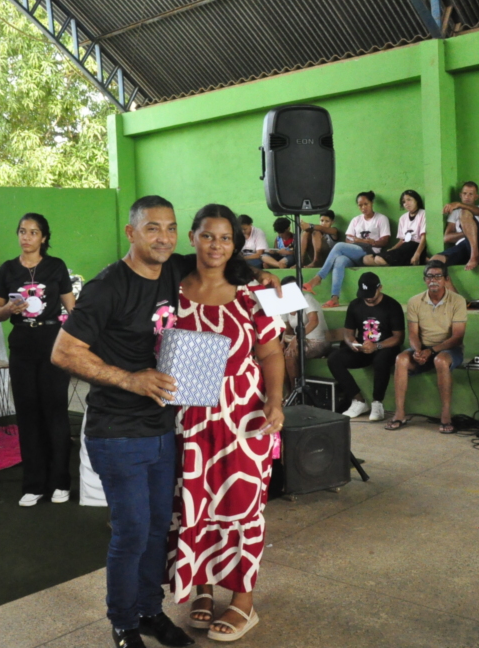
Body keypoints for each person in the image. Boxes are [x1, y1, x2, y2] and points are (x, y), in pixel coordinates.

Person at [51, 196, 281, 648]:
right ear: (131, 232)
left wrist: (262, 276)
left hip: (174, 426)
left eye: (170, 228)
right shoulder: (109, 286)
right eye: (152, 228)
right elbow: (63, 353)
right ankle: (124, 622)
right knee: (134, 531)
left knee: (163, 525)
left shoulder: (176, 271)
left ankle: (151, 611)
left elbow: (223, 266)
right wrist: (130, 380)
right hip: (127, 428)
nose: (163, 237)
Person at [169, 204, 284, 643]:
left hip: (242, 417)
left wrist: (276, 402)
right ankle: (202, 587)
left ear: (236, 244)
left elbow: (271, 352)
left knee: (241, 506)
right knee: (194, 505)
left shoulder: (253, 292)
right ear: (192, 238)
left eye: (225, 238)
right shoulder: (172, 289)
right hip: (188, 417)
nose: (216, 245)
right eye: (207, 236)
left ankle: (243, 601)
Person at [0, 213, 76, 507]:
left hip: (53, 343)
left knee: (55, 411)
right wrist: (9, 309)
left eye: (33, 232)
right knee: (27, 413)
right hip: (22, 345)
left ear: (44, 238)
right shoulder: (7, 269)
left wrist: (80, 343)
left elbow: (73, 309)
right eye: (22, 231)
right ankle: (33, 484)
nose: (26, 237)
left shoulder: (56, 266)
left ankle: (61, 482)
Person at [388, 261, 467, 433]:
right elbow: (413, 334)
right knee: (401, 359)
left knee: (441, 360)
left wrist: (431, 351)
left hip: (448, 350)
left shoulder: (458, 301)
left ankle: (445, 414)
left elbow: (457, 337)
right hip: (424, 348)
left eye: (438, 276)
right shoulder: (415, 301)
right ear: (424, 279)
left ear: (446, 279)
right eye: (429, 276)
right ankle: (399, 413)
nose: (433, 280)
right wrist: (417, 351)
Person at [328, 272, 406, 422]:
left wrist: (377, 346)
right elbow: (348, 333)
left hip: (385, 347)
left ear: (380, 288)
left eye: (371, 294)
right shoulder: (355, 305)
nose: (368, 298)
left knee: (381, 360)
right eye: (364, 295)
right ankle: (358, 401)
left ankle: (377, 403)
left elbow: (398, 337)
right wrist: (353, 344)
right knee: (334, 359)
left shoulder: (392, 306)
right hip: (363, 348)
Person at [303, 191, 391, 308]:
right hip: (355, 252)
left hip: (370, 252)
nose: (363, 207)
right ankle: (335, 298)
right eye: (360, 205)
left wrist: (367, 241)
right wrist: (360, 241)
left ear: (372, 203)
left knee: (339, 246)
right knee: (340, 260)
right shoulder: (356, 220)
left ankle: (318, 278)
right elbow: (348, 240)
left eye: (366, 204)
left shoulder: (381, 219)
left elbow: (385, 241)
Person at [430, 181, 479, 275]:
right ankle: (449, 285)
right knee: (435, 261)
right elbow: (446, 238)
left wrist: (459, 205)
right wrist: (469, 232)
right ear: (460, 195)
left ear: (476, 197)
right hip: (462, 246)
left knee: (465, 212)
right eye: (464, 193)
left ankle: (475, 256)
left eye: (471, 194)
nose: (467, 196)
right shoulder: (455, 213)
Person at [279, 275, 331, 386]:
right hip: (300, 340)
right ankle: (287, 392)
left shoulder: (307, 298)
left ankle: (296, 390)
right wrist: (282, 342)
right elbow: (288, 330)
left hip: (318, 341)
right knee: (277, 354)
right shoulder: (284, 303)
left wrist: (296, 339)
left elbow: (314, 321)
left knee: (290, 354)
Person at [364, 190, 426, 267]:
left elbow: (423, 238)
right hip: (404, 247)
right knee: (367, 259)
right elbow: (402, 240)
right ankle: (398, 263)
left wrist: (417, 254)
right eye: (404, 202)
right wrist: (393, 249)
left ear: (417, 200)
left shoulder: (423, 214)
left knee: (378, 259)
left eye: (409, 200)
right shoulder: (403, 218)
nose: (406, 203)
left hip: (415, 246)